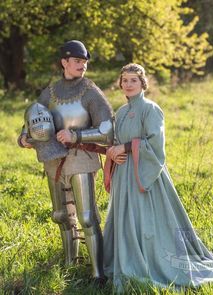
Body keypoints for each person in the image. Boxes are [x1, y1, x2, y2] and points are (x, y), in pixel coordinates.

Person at [103, 63, 213, 290]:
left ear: (143, 83)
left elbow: (155, 145)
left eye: (133, 80)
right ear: (120, 84)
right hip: (125, 175)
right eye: (125, 80)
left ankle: (151, 264)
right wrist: (115, 153)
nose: (128, 84)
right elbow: (117, 142)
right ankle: (125, 262)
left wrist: (124, 147)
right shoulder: (120, 112)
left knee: (146, 223)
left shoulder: (151, 109)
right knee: (125, 220)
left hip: (145, 177)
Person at [18, 40, 113, 282]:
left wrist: (77, 135)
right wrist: (24, 137)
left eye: (85, 62)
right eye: (78, 61)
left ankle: (97, 274)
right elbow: (33, 117)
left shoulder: (90, 91)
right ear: (64, 62)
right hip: (53, 159)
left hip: (81, 156)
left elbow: (107, 128)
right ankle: (71, 264)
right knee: (61, 214)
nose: (83, 66)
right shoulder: (49, 93)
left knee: (88, 217)